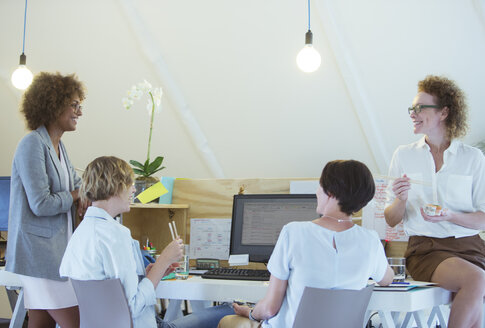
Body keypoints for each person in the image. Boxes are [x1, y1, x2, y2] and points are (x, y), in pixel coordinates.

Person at [59, 156, 234, 328]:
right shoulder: (116, 235)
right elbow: (132, 307)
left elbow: (109, 294)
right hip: (136, 323)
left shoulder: (80, 233)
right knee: (229, 310)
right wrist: (163, 261)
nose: (134, 190)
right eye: (130, 184)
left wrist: (146, 275)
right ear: (116, 185)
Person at [218, 160, 394, 328]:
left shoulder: (293, 232)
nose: (317, 192)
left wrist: (250, 312)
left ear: (331, 192)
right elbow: (387, 279)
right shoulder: (370, 240)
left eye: (320, 186)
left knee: (227, 321)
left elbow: (270, 308)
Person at [384, 75, 485, 327]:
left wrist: (450, 215)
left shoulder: (473, 158)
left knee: (475, 289)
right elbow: (391, 219)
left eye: (420, 108)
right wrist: (400, 199)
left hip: (471, 247)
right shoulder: (403, 155)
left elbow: (482, 218)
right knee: (476, 281)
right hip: (427, 249)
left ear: (443, 112)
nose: (412, 113)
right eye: (412, 108)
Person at [5, 72, 86, 328]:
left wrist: (90, 194)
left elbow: (77, 185)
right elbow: (41, 204)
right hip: (39, 256)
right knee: (79, 322)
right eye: (74, 105)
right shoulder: (32, 145)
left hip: (55, 254)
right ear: (53, 105)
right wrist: (76, 196)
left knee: (41, 321)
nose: (79, 112)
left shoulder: (59, 146)